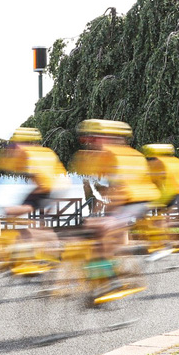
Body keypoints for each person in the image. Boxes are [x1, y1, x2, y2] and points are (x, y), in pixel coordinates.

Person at [68, 119, 159, 283]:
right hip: (127, 200)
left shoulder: (119, 156)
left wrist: (105, 216)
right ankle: (105, 271)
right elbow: (111, 189)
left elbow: (122, 191)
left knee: (104, 228)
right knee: (97, 229)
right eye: (87, 138)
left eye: (94, 138)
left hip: (137, 201)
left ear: (108, 137)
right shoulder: (109, 155)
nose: (90, 141)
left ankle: (111, 275)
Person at [0, 126, 69, 246]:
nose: (14, 147)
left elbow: (45, 181)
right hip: (58, 186)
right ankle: (54, 248)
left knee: (16, 211)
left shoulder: (29, 155)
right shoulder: (44, 152)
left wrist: (12, 209)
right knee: (39, 221)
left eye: (16, 144)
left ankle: (16, 241)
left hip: (50, 187)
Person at [142, 144, 179, 262]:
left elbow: (153, 182)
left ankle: (164, 247)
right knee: (164, 220)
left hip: (171, 195)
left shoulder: (159, 164)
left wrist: (153, 202)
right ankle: (169, 241)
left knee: (159, 222)